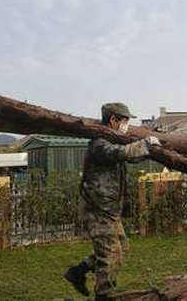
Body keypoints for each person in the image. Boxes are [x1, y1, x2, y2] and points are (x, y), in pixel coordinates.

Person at [63, 103, 160, 301]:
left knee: (120, 248)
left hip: (108, 209)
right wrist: (146, 144)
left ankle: (78, 271)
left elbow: (129, 156)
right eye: (125, 121)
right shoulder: (99, 143)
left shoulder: (111, 140)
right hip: (98, 209)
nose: (127, 125)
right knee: (110, 254)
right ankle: (104, 295)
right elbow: (119, 153)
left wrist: (150, 147)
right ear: (113, 120)